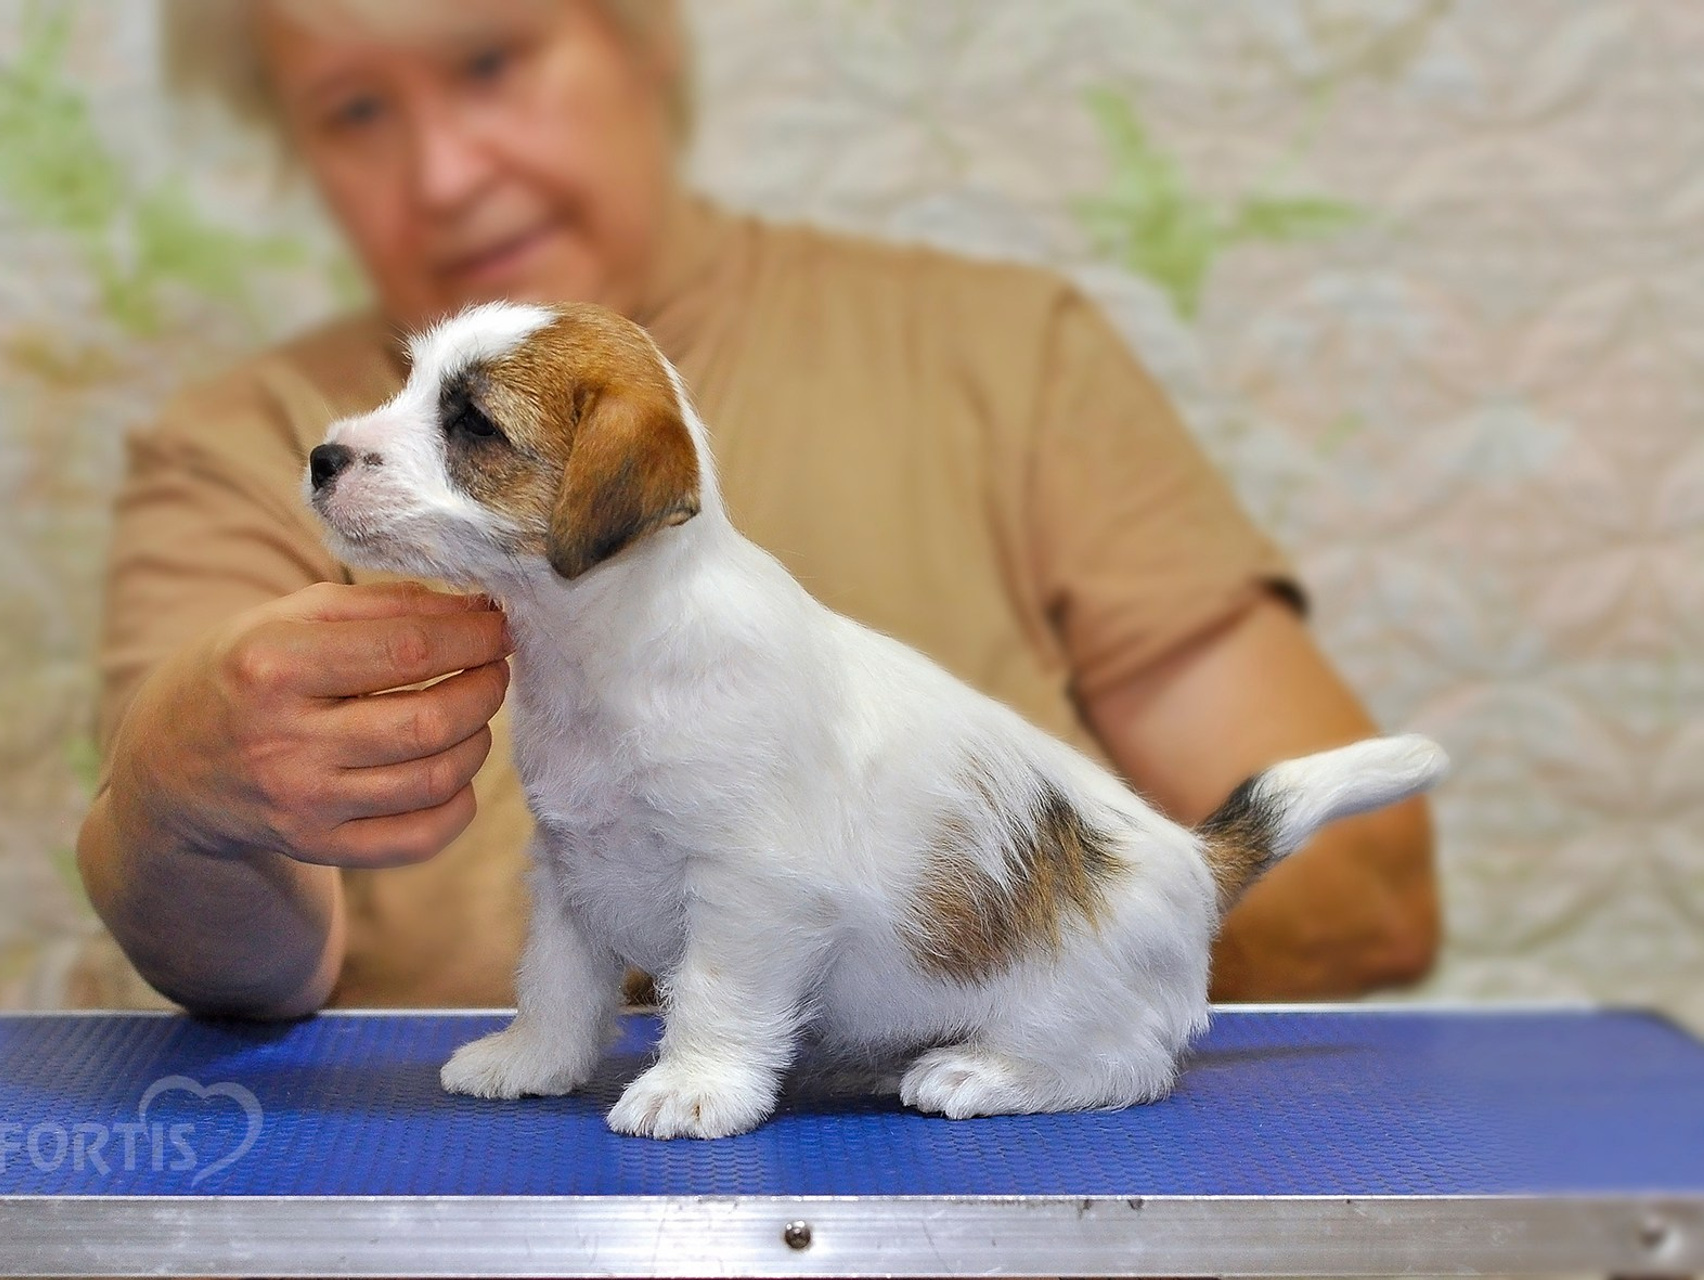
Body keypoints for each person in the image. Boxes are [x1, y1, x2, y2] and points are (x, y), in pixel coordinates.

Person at [76, 0, 1438, 1022]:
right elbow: (237, 947)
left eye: (490, 59)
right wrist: (172, 795)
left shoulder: (1006, 352)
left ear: (643, 36)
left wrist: (961, 974)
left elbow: (1366, 898)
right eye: (352, 111)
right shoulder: (250, 449)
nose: (444, 172)